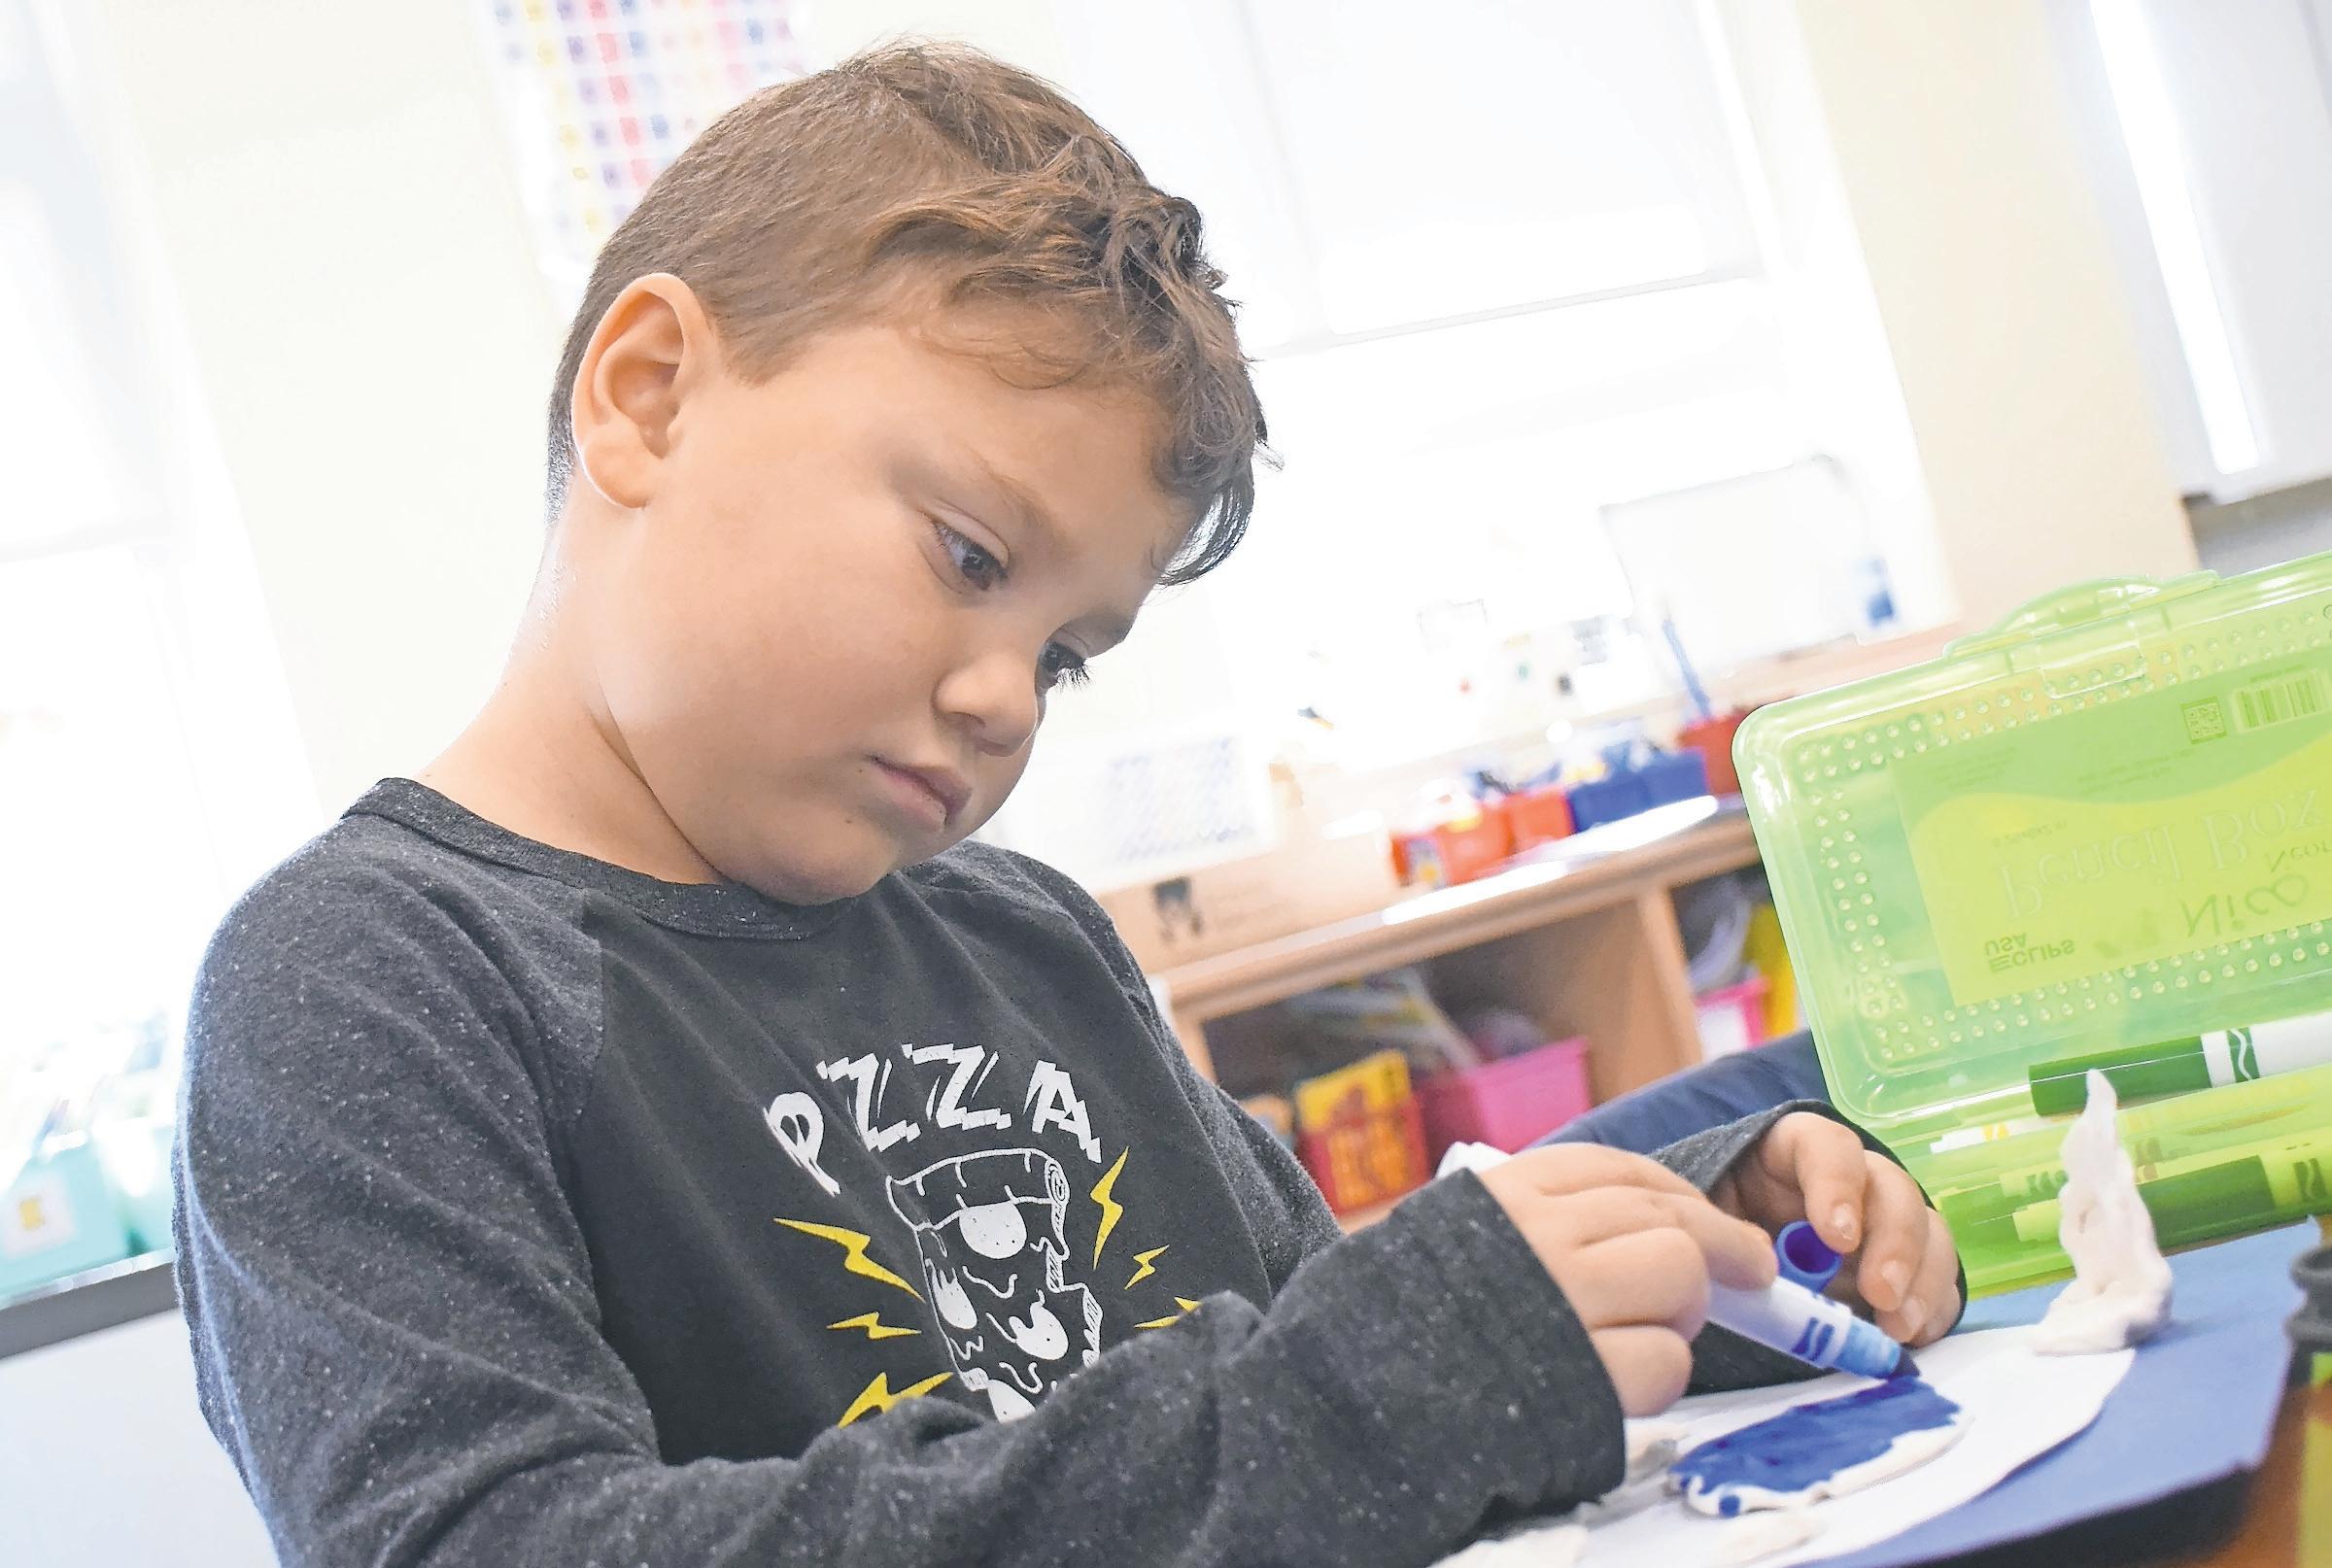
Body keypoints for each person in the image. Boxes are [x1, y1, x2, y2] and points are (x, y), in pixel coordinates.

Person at [173, 41, 1961, 1568]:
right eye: (968, 555)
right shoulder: (361, 981)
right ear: (649, 399)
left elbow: (1303, 1356)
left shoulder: (1020, 936)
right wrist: (1395, 1375)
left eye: (1068, 654)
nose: (1006, 699)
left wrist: (1668, 1264)